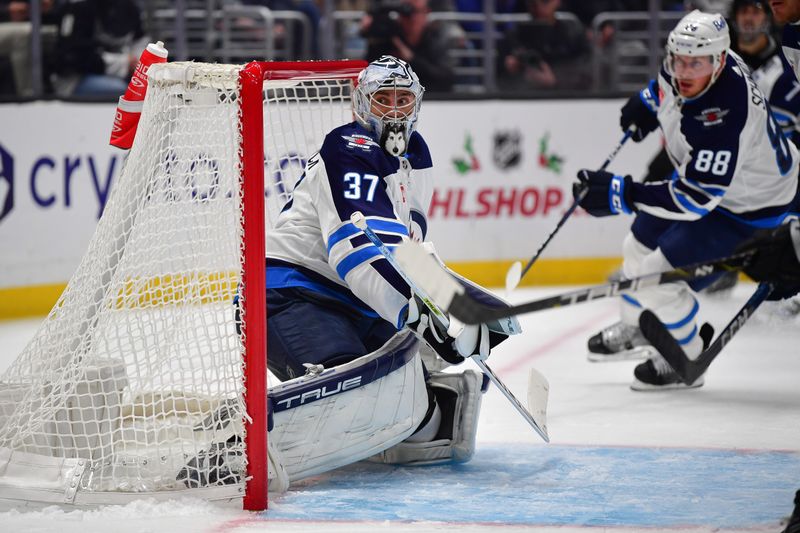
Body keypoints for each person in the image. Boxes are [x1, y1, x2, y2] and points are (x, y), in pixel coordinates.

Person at [260, 55, 514, 484]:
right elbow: (358, 254)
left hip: (352, 303)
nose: (395, 111)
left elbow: (404, 250)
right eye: (383, 100)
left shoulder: (414, 156)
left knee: (419, 416)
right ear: (361, 104)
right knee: (356, 393)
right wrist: (424, 319)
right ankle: (238, 442)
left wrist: (461, 305)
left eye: (403, 99)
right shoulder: (348, 149)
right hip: (290, 293)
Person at [574, 10, 799, 390]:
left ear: (719, 61)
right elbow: (667, 82)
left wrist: (622, 193)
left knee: (653, 280)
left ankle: (687, 354)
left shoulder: (723, 115)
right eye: (679, 60)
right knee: (638, 243)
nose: (684, 72)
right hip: (726, 192)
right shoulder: (701, 64)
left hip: (750, 208)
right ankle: (638, 328)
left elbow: (697, 198)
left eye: (696, 63)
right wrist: (648, 101)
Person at [51, 0, 148, 97]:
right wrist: (125, 63)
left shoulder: (130, 8)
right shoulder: (79, 7)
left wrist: (138, 63)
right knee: (124, 90)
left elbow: (139, 40)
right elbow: (74, 58)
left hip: (117, 73)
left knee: (145, 87)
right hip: (74, 79)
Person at [360, 0, 457, 92]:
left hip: (428, 98)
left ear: (426, 13)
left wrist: (412, 59)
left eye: (415, 12)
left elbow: (446, 78)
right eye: (405, 12)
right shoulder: (390, 37)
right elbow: (368, 73)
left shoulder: (435, 38)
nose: (410, 18)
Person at [498, 0, 590, 91]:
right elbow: (498, 79)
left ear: (557, 2)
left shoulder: (573, 33)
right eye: (533, 3)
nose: (539, 8)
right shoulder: (514, 37)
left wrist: (556, 81)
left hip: (566, 99)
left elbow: (586, 71)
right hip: (524, 97)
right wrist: (509, 69)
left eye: (545, 1)